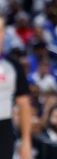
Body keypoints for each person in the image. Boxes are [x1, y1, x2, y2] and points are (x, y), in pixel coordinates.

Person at [0, 17, 32, 159]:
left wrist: (26, 140)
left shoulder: (13, 66)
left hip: (4, 129)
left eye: (0, 30)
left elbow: (24, 105)